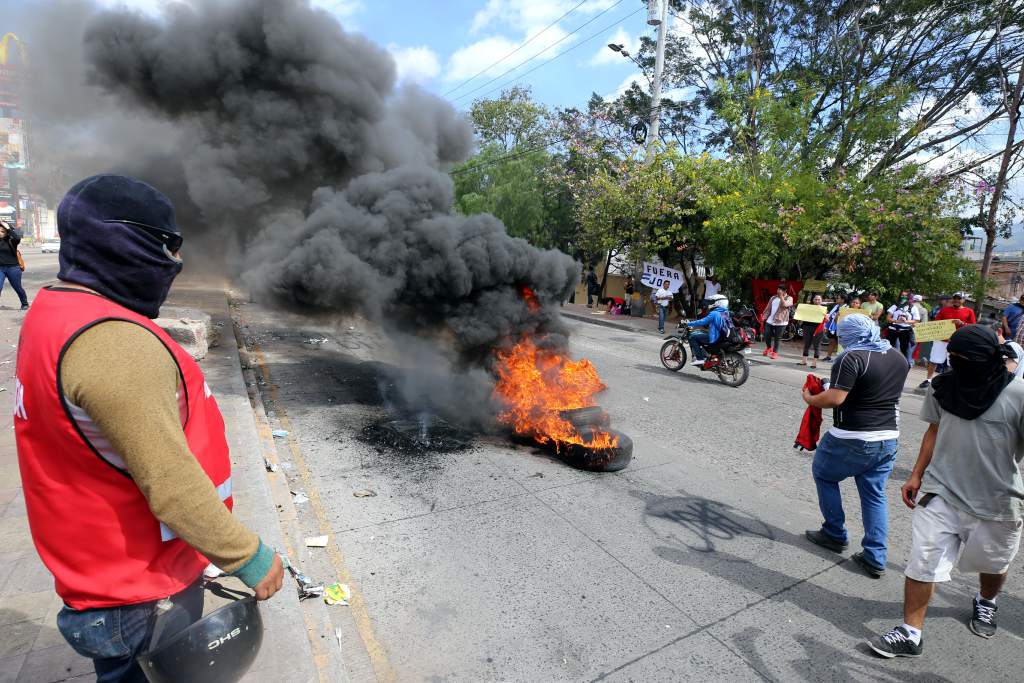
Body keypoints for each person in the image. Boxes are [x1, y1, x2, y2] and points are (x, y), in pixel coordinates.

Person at [14, 175, 284, 682]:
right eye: (165, 245)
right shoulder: (114, 344)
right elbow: (171, 484)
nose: (174, 262)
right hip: (138, 592)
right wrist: (246, 556)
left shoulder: (54, 311)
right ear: (121, 240)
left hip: (102, 572)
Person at [869, 325, 1024, 658]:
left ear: (986, 358)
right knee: (922, 562)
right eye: (951, 356)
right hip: (941, 491)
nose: (954, 363)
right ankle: (911, 632)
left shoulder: (1018, 394)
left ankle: (986, 600)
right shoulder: (942, 386)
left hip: (997, 501)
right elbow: (934, 429)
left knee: (994, 565)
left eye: (962, 358)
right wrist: (915, 475)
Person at [802, 314, 910, 578]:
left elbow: (837, 398)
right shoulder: (897, 356)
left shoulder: (850, 357)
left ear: (848, 335)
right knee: (874, 494)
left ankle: (834, 533)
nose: (839, 339)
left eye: (841, 334)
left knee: (824, 475)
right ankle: (875, 557)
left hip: (852, 436)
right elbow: (872, 388)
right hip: (888, 437)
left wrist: (811, 398)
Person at [921, 293, 976, 389]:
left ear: (964, 300)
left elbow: (973, 327)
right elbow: (936, 323)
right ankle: (928, 380)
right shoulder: (944, 309)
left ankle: (950, 382)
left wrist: (962, 323)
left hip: (958, 341)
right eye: (955, 298)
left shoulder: (969, 311)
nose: (956, 300)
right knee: (934, 359)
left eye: (959, 298)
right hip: (942, 339)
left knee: (954, 362)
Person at [685, 294, 730, 365]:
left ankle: (699, 359)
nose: (711, 303)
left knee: (692, 337)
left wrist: (689, 323)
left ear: (718, 303)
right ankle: (706, 354)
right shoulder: (726, 312)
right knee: (702, 334)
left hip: (715, 337)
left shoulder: (714, 313)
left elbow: (702, 321)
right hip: (723, 337)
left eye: (713, 302)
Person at [0, 216, 29, 310]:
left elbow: (17, 237)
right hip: (0, 268)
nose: (0, 233)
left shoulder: (12, 241)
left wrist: (8, 227)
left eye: (2, 231)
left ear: (7, 232)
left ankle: (24, 303)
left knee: (17, 287)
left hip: (13, 268)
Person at [887, 291, 920, 366]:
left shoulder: (913, 307)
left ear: (909, 298)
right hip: (893, 329)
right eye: (902, 295)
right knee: (890, 348)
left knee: (904, 349)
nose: (903, 297)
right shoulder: (895, 306)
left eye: (905, 296)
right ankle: (889, 363)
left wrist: (907, 321)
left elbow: (917, 320)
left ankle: (903, 365)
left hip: (905, 331)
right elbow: (888, 318)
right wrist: (896, 321)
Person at [762, 283, 793, 360]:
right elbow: (768, 308)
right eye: (778, 289)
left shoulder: (789, 298)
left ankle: (775, 352)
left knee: (777, 338)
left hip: (781, 321)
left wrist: (781, 296)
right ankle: (769, 348)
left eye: (780, 290)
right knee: (766, 334)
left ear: (785, 291)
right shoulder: (773, 298)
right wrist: (764, 316)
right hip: (770, 320)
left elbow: (785, 305)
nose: (778, 291)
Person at [799, 294, 827, 369]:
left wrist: (826, 318)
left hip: (818, 329)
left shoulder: (824, 309)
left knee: (817, 345)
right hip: (807, 327)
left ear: (821, 301)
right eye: (815, 299)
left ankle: (814, 363)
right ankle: (804, 361)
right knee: (806, 344)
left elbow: (827, 320)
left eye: (819, 299)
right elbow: (802, 316)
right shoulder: (808, 308)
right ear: (813, 300)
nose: (817, 301)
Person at [822, 292, 848, 362]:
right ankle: (828, 356)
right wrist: (826, 326)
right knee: (832, 341)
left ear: (843, 300)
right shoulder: (836, 306)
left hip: (841, 328)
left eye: (838, 298)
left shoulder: (847, 308)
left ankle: (839, 358)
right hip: (832, 327)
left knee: (840, 344)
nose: (836, 299)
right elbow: (830, 316)